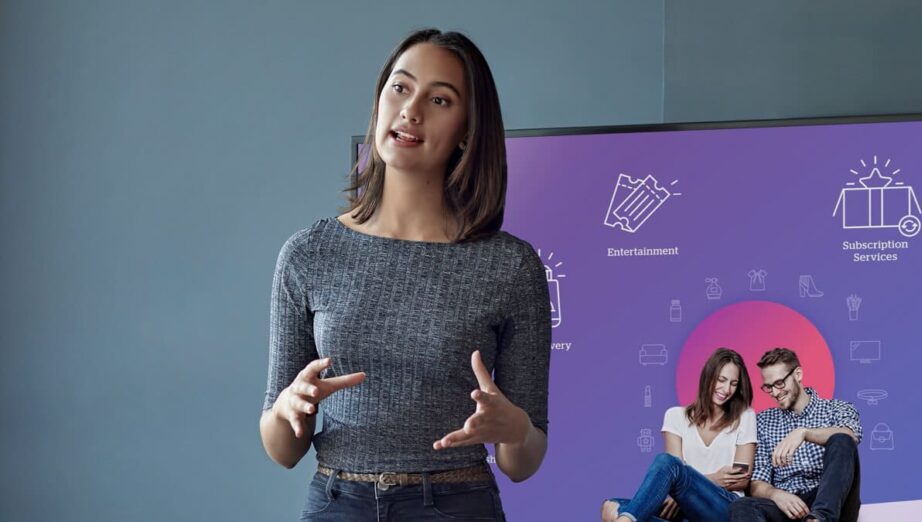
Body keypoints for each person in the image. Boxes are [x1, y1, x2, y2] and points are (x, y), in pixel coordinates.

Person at [258, 29, 551, 521]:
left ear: (467, 130)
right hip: (337, 502)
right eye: (400, 87)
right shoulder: (308, 254)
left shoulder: (510, 266)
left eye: (439, 99)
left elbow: (523, 463)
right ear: (379, 103)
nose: (411, 109)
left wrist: (516, 428)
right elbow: (283, 450)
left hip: (457, 505)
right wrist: (290, 408)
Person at [601, 348, 757, 522]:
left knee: (666, 464)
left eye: (733, 384)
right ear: (708, 376)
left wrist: (685, 486)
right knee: (611, 507)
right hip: (686, 511)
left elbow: (741, 480)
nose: (726, 389)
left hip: (724, 508)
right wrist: (710, 479)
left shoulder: (745, 416)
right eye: (721, 380)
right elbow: (673, 477)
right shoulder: (675, 416)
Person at [728, 348, 862, 522]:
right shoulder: (763, 422)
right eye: (768, 387)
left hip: (832, 505)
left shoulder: (838, 409)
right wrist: (776, 494)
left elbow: (850, 436)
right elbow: (757, 483)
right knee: (742, 505)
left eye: (779, 383)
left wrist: (804, 433)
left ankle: (818, 519)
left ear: (797, 374)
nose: (775, 393)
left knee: (841, 439)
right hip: (788, 506)